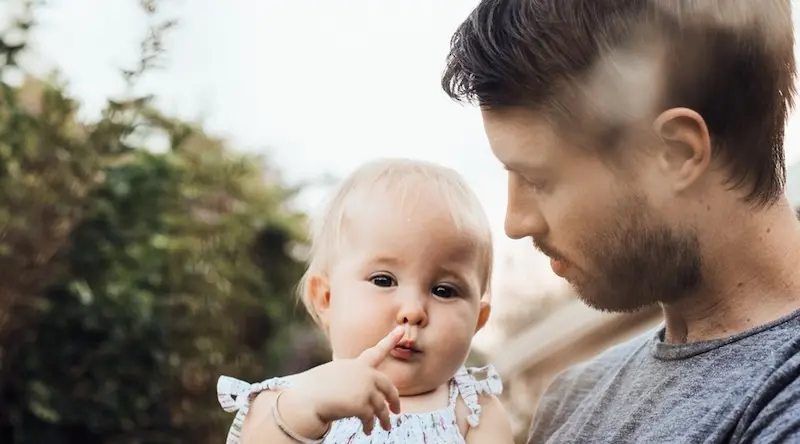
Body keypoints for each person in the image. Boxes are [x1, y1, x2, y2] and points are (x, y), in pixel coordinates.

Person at [441, 0, 800, 443]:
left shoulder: (784, 396)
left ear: (676, 154)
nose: (516, 223)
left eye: (538, 178)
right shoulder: (573, 396)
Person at [216, 158, 514, 443]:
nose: (413, 311)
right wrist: (300, 415)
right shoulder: (284, 403)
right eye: (383, 280)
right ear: (326, 299)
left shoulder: (475, 412)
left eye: (444, 291)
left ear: (478, 320)